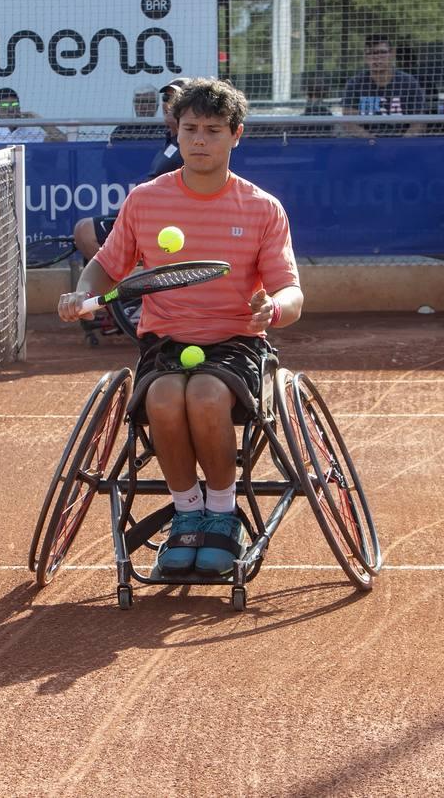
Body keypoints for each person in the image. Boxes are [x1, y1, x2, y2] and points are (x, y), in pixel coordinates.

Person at [57, 78, 303, 576]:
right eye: (190, 128)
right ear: (176, 131)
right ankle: (187, 512)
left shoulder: (262, 208)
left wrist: (271, 310)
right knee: (166, 399)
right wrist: (84, 293)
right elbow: (106, 267)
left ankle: (222, 513)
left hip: (236, 342)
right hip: (165, 341)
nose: (199, 140)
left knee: (208, 396)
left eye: (213, 130)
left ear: (236, 135)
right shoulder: (146, 200)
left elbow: (291, 293)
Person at [73, 77, 189, 261]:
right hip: (141, 211)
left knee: (86, 232)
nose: (168, 104)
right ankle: (120, 284)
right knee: (81, 230)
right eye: (166, 99)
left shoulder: (188, 144)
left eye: (175, 99)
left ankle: (125, 287)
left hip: (158, 220)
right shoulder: (170, 140)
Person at [340, 34, 428, 137]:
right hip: (366, 145)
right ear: (365, 56)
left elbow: (419, 122)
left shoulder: (409, 82)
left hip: (402, 145)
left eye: (382, 52)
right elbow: (349, 123)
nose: (377, 57)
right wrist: (373, 143)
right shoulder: (354, 84)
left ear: (392, 53)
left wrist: (402, 144)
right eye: (371, 53)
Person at [0, 87, 65, 143]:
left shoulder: (30, 132)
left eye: (14, 105)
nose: (11, 110)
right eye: (5, 106)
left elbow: (63, 140)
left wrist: (37, 119)